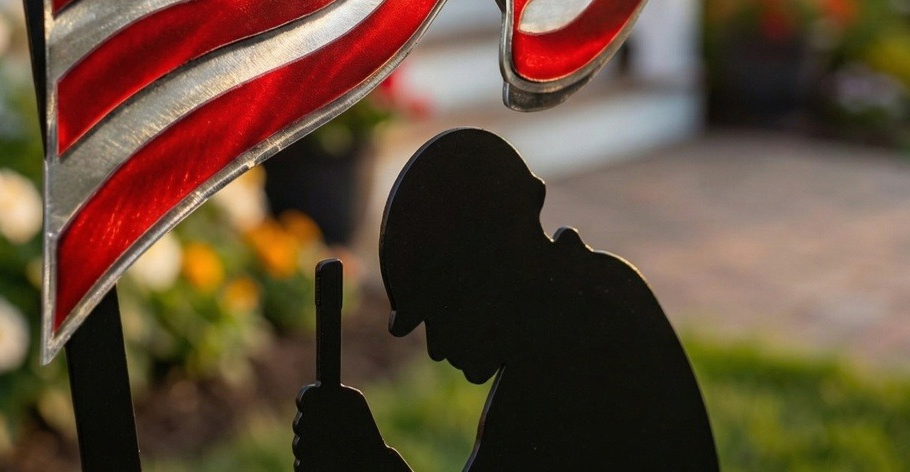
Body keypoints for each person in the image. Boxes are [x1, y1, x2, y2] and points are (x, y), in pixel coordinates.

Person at [293, 128, 719, 471]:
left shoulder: (567, 354)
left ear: (483, 270)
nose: (437, 347)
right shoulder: (588, 299)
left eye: (441, 314)